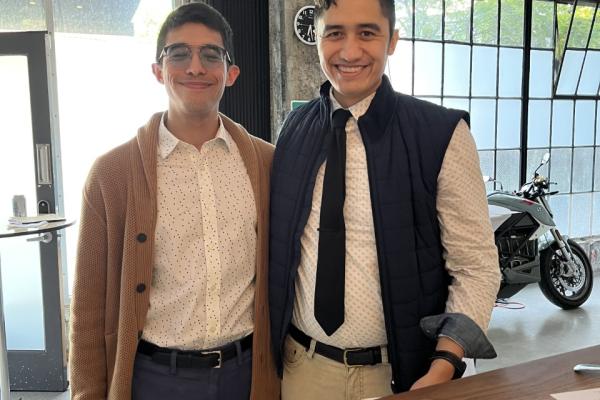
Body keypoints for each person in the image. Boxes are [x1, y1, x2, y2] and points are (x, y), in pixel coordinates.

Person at [269, 0, 501, 398]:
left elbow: (477, 268)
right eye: (335, 33)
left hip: (402, 375)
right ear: (318, 41)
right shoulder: (294, 128)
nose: (350, 51)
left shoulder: (441, 134)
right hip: (302, 369)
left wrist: (444, 366)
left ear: (392, 40)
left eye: (367, 33)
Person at [69, 3, 279, 399]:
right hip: (154, 379)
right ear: (158, 70)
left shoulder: (267, 163)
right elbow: (88, 311)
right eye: (179, 54)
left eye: (210, 55)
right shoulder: (111, 175)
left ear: (230, 74)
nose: (195, 67)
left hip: (248, 374)